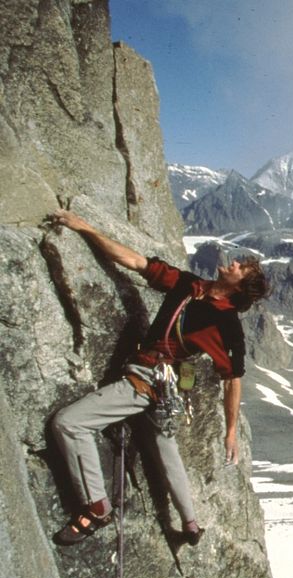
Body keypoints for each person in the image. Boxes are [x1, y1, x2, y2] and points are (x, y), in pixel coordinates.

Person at [48, 208, 269, 546]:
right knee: (166, 452)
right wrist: (85, 227)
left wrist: (231, 432)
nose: (235, 263)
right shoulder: (189, 285)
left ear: (240, 287)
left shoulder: (225, 325)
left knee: (69, 423)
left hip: (147, 382)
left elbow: (233, 379)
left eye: (243, 268)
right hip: (167, 389)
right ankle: (191, 523)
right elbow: (134, 262)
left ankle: (96, 508)